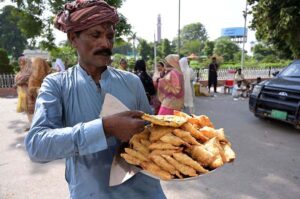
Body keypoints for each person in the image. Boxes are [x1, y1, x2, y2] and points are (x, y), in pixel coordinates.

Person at [25, 1, 166, 199]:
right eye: (95, 35)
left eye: (110, 36)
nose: (105, 44)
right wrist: (105, 128)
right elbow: (37, 146)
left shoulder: (132, 82)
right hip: (90, 193)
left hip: (144, 193)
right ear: (73, 38)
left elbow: (152, 136)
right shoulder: (57, 85)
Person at [15, 56, 32, 128]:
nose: (21, 65)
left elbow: (22, 80)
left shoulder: (29, 71)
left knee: (31, 110)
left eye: (23, 64)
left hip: (29, 93)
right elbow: (18, 80)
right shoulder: (21, 72)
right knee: (27, 110)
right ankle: (32, 125)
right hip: (22, 92)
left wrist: (18, 82)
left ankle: (34, 126)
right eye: (20, 64)